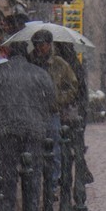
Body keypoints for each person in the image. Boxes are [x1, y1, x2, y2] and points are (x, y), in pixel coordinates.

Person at [0, 42, 56, 211]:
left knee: (6, 167)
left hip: (5, 127)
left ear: (8, 54)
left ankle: (8, 205)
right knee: (33, 169)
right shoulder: (40, 74)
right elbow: (51, 98)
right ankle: (32, 206)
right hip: (34, 128)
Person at [29, 29, 78, 187]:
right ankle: (37, 181)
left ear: (49, 45)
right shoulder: (29, 61)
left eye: (42, 45)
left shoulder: (59, 64)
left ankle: (53, 183)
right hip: (33, 112)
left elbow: (72, 86)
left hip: (52, 113)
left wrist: (58, 101)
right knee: (35, 149)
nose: (39, 48)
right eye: (36, 45)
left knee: (55, 149)